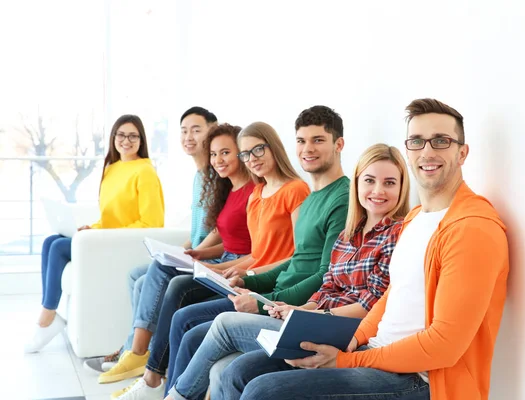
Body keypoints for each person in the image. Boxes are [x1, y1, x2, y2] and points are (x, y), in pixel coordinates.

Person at [219, 98, 510, 400]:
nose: (427, 152)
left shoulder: (473, 227)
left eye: (440, 141)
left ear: (462, 152)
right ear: (408, 151)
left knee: (263, 392)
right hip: (373, 350)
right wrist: (352, 341)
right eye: (417, 141)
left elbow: (444, 346)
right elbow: (389, 297)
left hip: (422, 379)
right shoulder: (416, 217)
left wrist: (347, 359)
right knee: (240, 372)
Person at [115, 105, 349, 400]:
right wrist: (246, 280)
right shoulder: (313, 194)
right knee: (181, 313)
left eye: (318, 140)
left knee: (190, 319)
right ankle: (156, 383)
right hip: (272, 291)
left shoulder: (330, 196)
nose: (307, 149)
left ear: (338, 144)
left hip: (287, 303)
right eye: (302, 141)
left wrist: (263, 298)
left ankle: (156, 383)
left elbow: (323, 274)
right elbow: (296, 259)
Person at [165, 143, 412, 400]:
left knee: (225, 324)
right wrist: (301, 310)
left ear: (402, 188)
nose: (378, 191)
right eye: (370, 181)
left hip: (346, 331)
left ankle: (175, 397)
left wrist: (316, 314)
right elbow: (327, 285)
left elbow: (372, 303)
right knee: (221, 368)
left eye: (389, 183)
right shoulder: (348, 234)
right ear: (358, 184)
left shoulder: (397, 234)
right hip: (317, 319)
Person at [83, 106, 219, 374]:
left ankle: (135, 352)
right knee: (136, 275)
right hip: (199, 252)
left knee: (148, 278)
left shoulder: (218, 175)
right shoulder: (198, 177)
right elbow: (200, 231)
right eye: (183, 131)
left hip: (212, 258)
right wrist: (181, 249)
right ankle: (138, 349)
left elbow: (221, 231)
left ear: (213, 130)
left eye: (196, 130)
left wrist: (195, 252)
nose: (188, 136)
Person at [25, 114, 165, 354]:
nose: (126, 140)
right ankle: (49, 315)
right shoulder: (112, 169)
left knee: (59, 248)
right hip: (105, 240)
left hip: (120, 244)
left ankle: (46, 318)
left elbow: (152, 222)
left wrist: (105, 234)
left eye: (133, 135)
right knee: (51, 242)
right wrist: (94, 228)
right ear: (113, 138)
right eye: (121, 135)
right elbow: (111, 216)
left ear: (141, 140)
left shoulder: (145, 171)